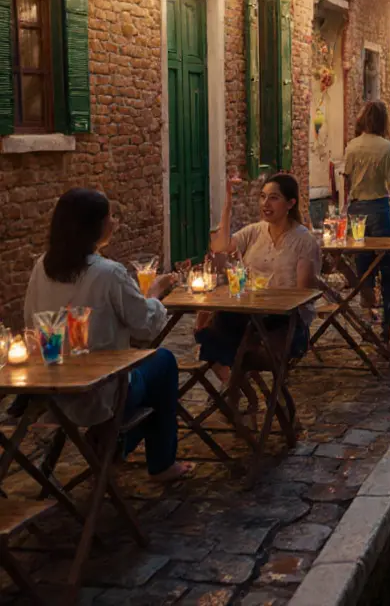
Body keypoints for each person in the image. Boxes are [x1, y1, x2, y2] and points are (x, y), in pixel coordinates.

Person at [23, 189, 191, 482]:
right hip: (103, 393)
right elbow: (146, 326)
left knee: (148, 371)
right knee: (163, 362)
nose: (115, 222)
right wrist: (154, 293)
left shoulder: (42, 267)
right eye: (110, 217)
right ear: (95, 226)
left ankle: (113, 446)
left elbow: (30, 320)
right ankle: (160, 462)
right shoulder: (109, 273)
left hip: (52, 393)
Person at [201, 173, 322, 404]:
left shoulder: (303, 241)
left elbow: (303, 295)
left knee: (224, 335)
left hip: (286, 323)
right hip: (249, 315)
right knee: (208, 331)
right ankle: (238, 388)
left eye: (274, 198)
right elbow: (220, 247)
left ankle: (236, 392)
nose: (266, 204)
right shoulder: (255, 231)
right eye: (263, 197)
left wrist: (268, 299)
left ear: (290, 203)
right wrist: (227, 205)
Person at [342, 101, 390, 339]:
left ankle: (368, 315)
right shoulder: (388, 148)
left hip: (356, 210)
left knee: (363, 264)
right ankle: (387, 317)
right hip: (378, 207)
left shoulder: (352, 146)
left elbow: (346, 180)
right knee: (387, 265)